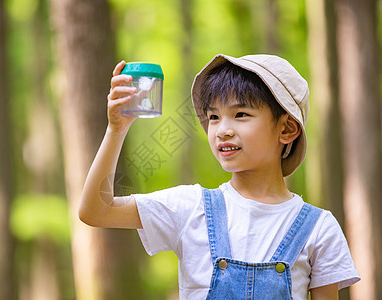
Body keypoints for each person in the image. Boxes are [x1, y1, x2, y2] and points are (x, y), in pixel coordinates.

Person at [79, 54, 360, 299]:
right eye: (214, 117)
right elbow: (96, 211)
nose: (222, 130)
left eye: (240, 114)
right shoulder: (190, 207)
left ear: (286, 129)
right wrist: (116, 130)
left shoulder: (319, 228)